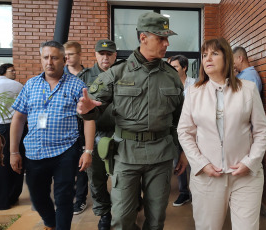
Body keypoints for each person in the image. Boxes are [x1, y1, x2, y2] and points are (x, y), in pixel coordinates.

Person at [77, 12, 185, 230]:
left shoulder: (171, 76)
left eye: (167, 38)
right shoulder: (117, 73)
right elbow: (93, 109)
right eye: (161, 38)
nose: (167, 43)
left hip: (161, 155)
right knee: (122, 219)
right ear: (143, 38)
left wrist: (181, 151)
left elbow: (178, 120)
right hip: (126, 155)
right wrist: (87, 111)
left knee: (156, 219)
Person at [177, 37, 266, 230]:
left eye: (214, 53)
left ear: (227, 57)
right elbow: (184, 132)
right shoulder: (194, 92)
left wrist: (250, 161)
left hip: (245, 176)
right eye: (204, 55)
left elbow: (262, 130)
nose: (207, 58)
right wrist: (201, 164)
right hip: (208, 176)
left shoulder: (248, 89)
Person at [9, 40, 95, 230]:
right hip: (34, 152)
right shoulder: (31, 85)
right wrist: (14, 152)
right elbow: (18, 119)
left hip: (65, 151)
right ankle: (51, 223)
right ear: (41, 59)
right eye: (46, 57)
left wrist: (88, 150)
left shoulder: (76, 85)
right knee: (38, 196)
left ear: (64, 60)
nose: (50, 62)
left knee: (64, 197)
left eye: (54, 58)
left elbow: (89, 118)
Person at [76, 39, 117, 230]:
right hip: (95, 133)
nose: (105, 57)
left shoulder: (123, 73)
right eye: (102, 53)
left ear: (115, 55)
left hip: (120, 134)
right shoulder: (85, 76)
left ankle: (125, 209)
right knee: (97, 178)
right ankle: (104, 213)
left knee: (124, 176)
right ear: (95, 55)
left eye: (109, 54)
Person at [0, 62, 24, 212]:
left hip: (0, 128)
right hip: (21, 127)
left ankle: (0, 202)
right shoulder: (18, 86)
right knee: (17, 160)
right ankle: (13, 195)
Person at [63, 41, 89, 215]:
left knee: (82, 164)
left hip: (85, 124)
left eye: (71, 54)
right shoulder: (59, 75)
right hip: (65, 126)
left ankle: (80, 199)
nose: (67, 57)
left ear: (80, 54)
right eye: (65, 54)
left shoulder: (89, 76)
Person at [168, 55, 195, 207]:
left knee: (192, 160)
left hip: (192, 130)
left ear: (184, 68)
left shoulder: (195, 84)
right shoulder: (169, 84)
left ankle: (196, 192)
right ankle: (183, 192)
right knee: (178, 161)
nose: (172, 70)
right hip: (175, 129)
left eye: (175, 67)